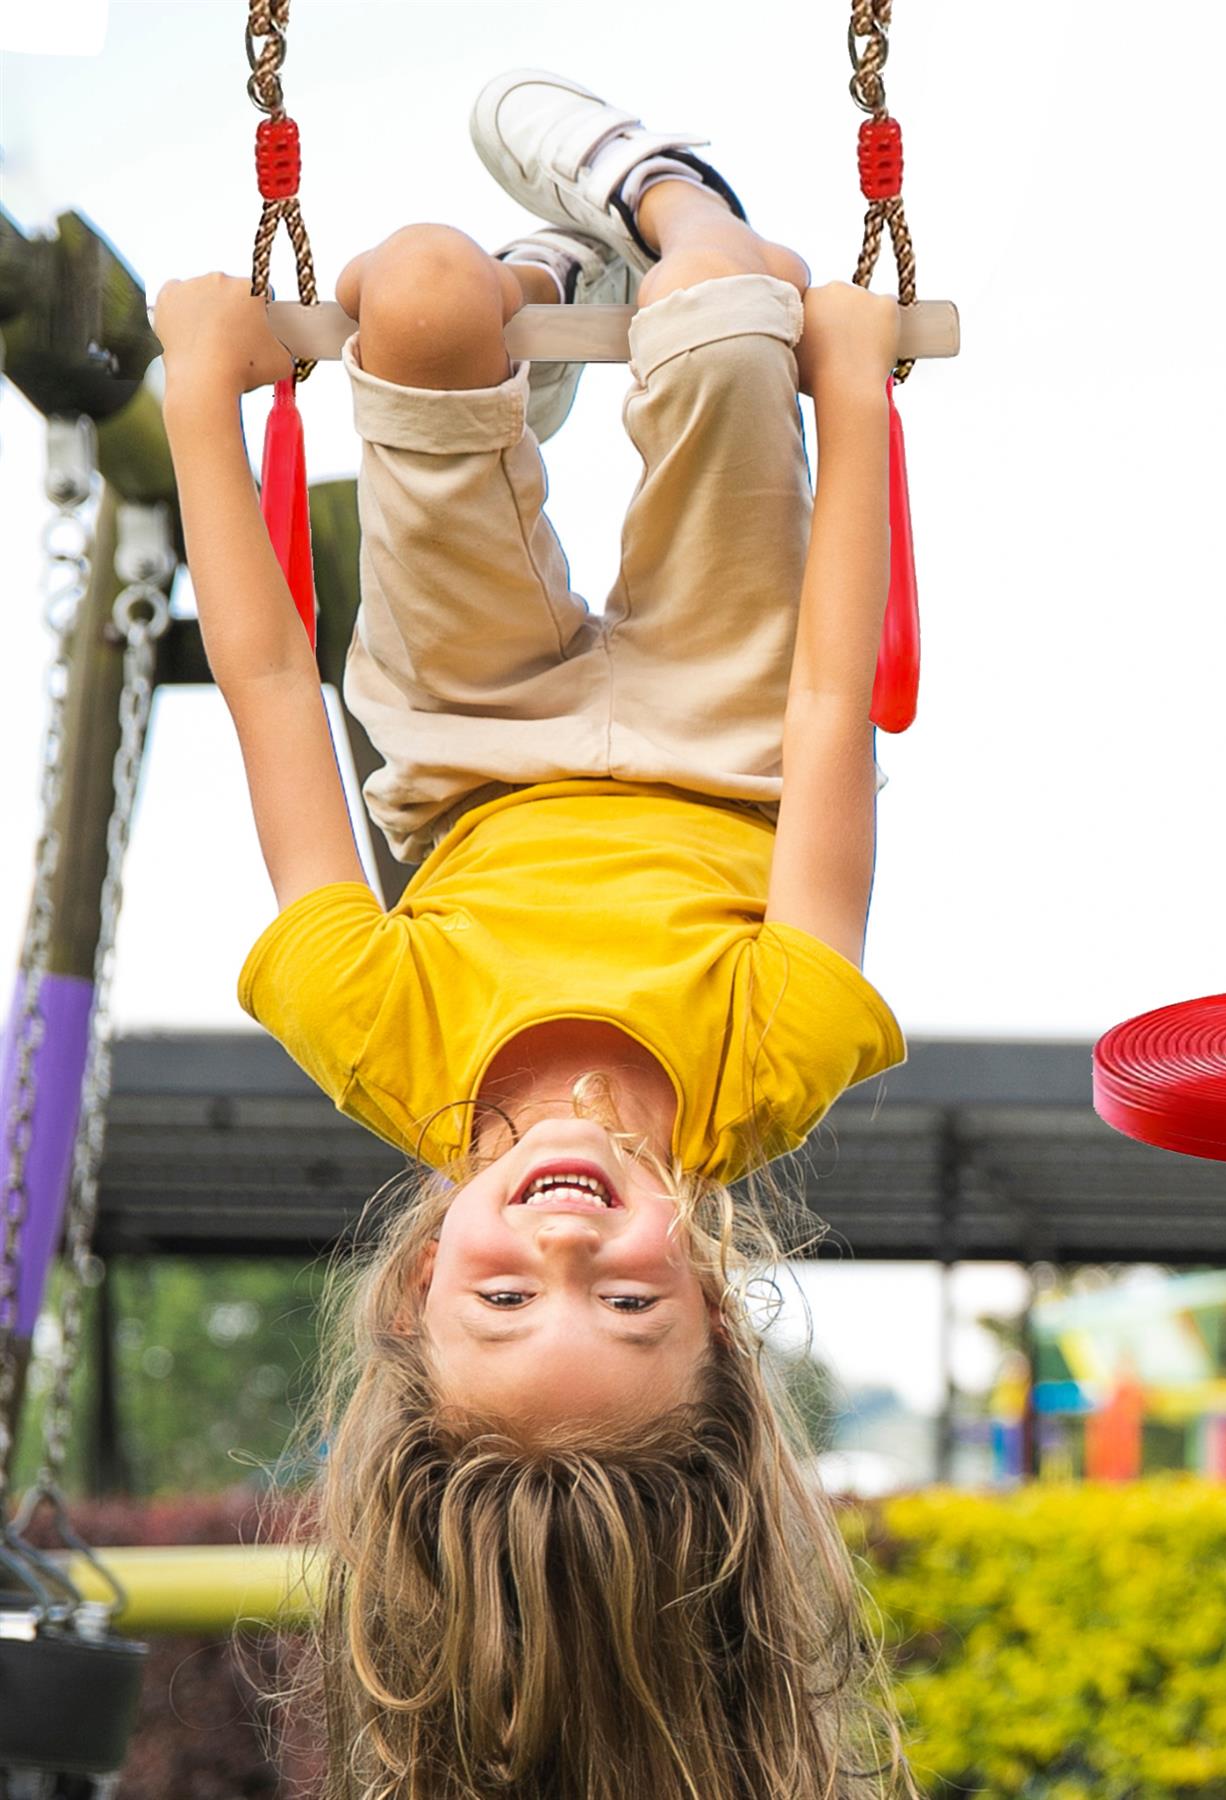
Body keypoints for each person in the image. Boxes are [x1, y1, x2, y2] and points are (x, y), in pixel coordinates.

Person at [156, 68, 914, 1799]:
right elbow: (823, 709)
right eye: (627, 1297)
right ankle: (654, 190)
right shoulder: (770, 1065)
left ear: (424, 1284)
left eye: (507, 1292)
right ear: (716, 1313)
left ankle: (515, 323)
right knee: (734, 312)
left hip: (473, 737)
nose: (565, 1241)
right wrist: (853, 399)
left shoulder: (380, 1041)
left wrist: (208, 400)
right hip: (728, 726)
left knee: (414, 288)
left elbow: (272, 685)